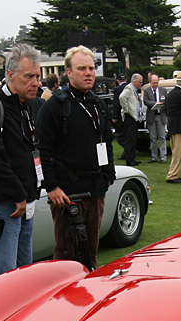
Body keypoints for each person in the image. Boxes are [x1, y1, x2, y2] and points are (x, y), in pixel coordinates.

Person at [37, 45, 115, 266]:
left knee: (90, 253)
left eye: (91, 68)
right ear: (69, 73)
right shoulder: (54, 107)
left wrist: (109, 173)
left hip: (96, 188)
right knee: (66, 257)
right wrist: (51, 187)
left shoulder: (97, 103)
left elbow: (107, 140)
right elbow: (42, 149)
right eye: (82, 68)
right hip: (68, 193)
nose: (88, 73)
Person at [0, 44, 43, 279]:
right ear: (10, 75)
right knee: (4, 278)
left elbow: (28, 150)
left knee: (24, 275)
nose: (36, 82)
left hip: (25, 202)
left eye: (37, 76)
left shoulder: (26, 106)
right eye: (29, 76)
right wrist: (18, 194)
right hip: (5, 205)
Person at [117, 73, 143, 166]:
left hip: (134, 117)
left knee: (133, 139)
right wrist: (126, 109)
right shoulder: (129, 88)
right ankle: (129, 159)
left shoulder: (134, 90)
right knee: (130, 139)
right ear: (135, 82)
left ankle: (132, 158)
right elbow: (121, 97)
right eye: (140, 82)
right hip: (130, 117)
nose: (141, 84)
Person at [143, 73, 167, 163]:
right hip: (151, 117)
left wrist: (163, 105)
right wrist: (155, 104)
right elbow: (145, 101)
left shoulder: (163, 90)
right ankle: (154, 157)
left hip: (161, 116)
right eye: (154, 83)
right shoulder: (146, 90)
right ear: (150, 82)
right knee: (153, 138)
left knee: (162, 137)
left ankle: (163, 157)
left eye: (157, 83)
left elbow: (166, 101)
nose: (155, 85)